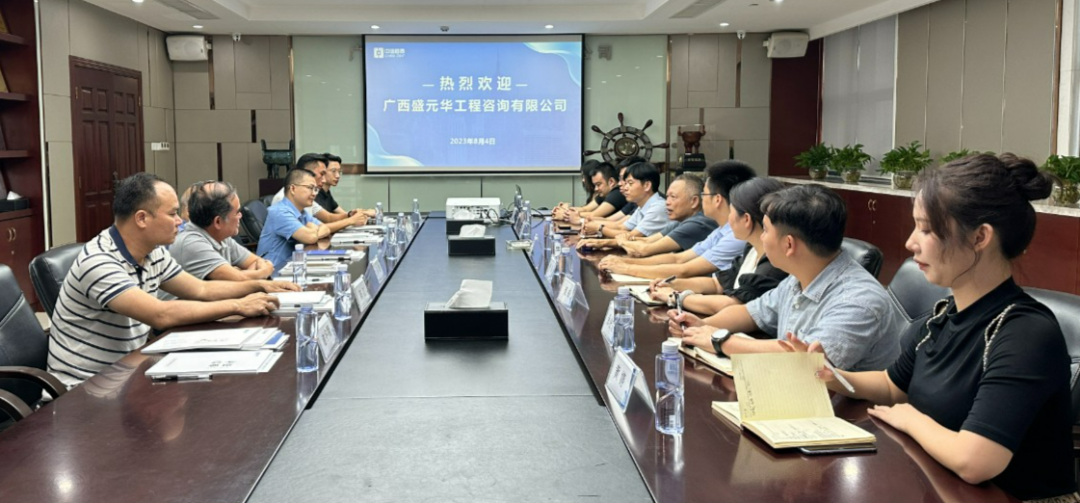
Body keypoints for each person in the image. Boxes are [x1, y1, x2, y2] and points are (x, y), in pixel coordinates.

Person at [785, 154, 1077, 502]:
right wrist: (831, 375)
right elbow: (892, 386)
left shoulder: (1025, 333)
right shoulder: (942, 315)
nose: (911, 243)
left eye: (925, 229)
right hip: (939, 486)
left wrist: (912, 420)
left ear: (980, 237)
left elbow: (975, 461)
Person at [47, 173, 296, 388]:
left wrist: (260, 285)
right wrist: (238, 305)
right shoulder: (99, 261)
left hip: (128, 372)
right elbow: (161, 314)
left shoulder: (152, 252)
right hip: (86, 388)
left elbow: (200, 288)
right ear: (142, 218)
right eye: (173, 214)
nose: (180, 221)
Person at [669, 184, 903, 371]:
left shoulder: (858, 300)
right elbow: (751, 313)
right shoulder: (799, 277)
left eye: (766, 230)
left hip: (848, 412)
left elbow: (806, 360)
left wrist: (720, 340)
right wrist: (702, 326)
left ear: (789, 244)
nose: (762, 238)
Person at [651, 177, 788, 314]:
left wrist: (676, 297)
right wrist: (673, 284)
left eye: (731, 211)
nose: (729, 219)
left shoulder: (773, 262)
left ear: (746, 219)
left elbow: (735, 305)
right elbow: (717, 284)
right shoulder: (751, 249)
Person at [597, 160, 752, 279]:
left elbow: (684, 269)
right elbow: (677, 259)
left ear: (717, 199)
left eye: (704, 194)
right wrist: (624, 262)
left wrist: (626, 267)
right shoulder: (720, 230)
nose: (667, 202)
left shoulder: (721, 230)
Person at [577, 174, 715, 256]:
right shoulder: (679, 221)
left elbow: (647, 249)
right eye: (667, 197)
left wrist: (620, 246)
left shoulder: (698, 223)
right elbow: (647, 241)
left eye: (673, 197)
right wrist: (602, 243)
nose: (623, 187)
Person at [169, 181, 275, 285]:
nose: (241, 216)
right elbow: (239, 282)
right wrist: (263, 272)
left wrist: (245, 275)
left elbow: (254, 263)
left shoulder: (220, 236)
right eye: (237, 212)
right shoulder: (191, 243)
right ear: (218, 222)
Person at [259, 168, 364, 271]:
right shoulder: (279, 212)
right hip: (272, 272)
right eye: (310, 188)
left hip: (292, 266)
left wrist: (312, 229)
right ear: (293, 189)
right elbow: (310, 237)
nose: (314, 193)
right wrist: (313, 230)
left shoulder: (302, 212)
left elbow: (326, 229)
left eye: (315, 189)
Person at [575, 162, 667, 239]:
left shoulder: (658, 208)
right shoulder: (641, 207)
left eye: (630, 183)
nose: (625, 187)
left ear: (647, 185)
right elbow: (621, 227)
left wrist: (598, 228)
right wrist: (592, 224)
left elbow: (631, 236)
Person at [319, 153, 375, 219]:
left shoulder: (326, 192)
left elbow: (344, 214)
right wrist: (362, 213)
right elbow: (328, 218)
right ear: (322, 171)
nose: (338, 176)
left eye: (339, 171)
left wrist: (365, 212)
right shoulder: (315, 194)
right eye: (333, 171)